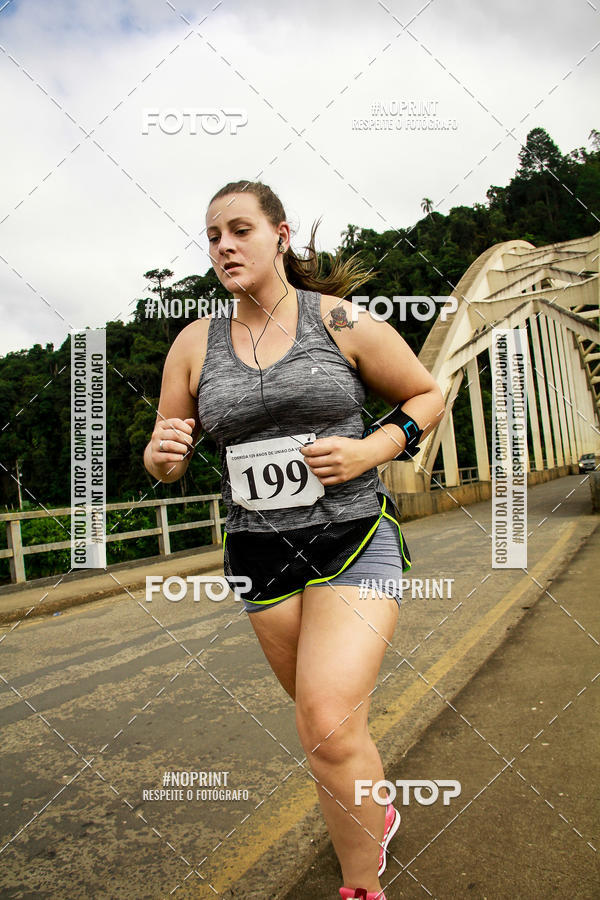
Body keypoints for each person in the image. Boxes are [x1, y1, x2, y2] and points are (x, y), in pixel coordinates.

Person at [143, 180, 445, 900]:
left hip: (351, 537)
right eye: (213, 236)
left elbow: (426, 396)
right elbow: (165, 457)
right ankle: (379, 808)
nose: (223, 245)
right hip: (258, 556)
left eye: (239, 229)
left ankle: (361, 886)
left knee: (327, 726)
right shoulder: (194, 344)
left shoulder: (338, 321)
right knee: (332, 731)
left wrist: (372, 452)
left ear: (279, 235)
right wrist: (164, 453)